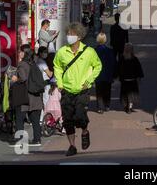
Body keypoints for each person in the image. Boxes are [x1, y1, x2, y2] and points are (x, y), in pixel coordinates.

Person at [53, 22, 102, 156]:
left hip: (82, 90)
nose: (69, 36)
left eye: (72, 34)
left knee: (80, 116)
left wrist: (89, 81)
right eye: (68, 34)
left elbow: (98, 66)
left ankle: (85, 132)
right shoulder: (62, 52)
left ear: (79, 36)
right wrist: (60, 83)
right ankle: (72, 146)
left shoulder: (89, 52)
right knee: (67, 119)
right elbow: (57, 66)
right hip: (67, 90)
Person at [11, 44, 44, 146]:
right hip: (36, 97)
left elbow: (23, 78)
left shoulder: (22, 64)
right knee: (35, 120)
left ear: (24, 53)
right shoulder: (33, 63)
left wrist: (15, 79)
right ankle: (37, 139)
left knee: (19, 119)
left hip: (25, 97)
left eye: (20, 51)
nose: (19, 53)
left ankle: (20, 141)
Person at [116, 43, 144, 114]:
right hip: (132, 80)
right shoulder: (134, 59)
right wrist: (139, 77)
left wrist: (117, 76)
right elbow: (138, 69)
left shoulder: (122, 59)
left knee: (125, 94)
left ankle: (126, 105)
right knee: (131, 94)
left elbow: (118, 69)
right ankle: (130, 106)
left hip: (124, 80)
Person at [95, 33, 116, 114]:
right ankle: (107, 105)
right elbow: (113, 63)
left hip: (98, 74)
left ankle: (100, 107)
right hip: (107, 74)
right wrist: (114, 73)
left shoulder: (95, 50)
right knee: (107, 90)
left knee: (99, 91)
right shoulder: (110, 51)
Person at [36, 47, 53, 121]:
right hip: (46, 84)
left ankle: (41, 118)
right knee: (46, 101)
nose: (46, 54)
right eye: (45, 52)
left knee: (42, 101)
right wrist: (53, 70)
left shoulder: (37, 61)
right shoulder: (42, 62)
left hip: (39, 83)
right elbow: (49, 74)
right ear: (40, 53)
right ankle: (46, 119)